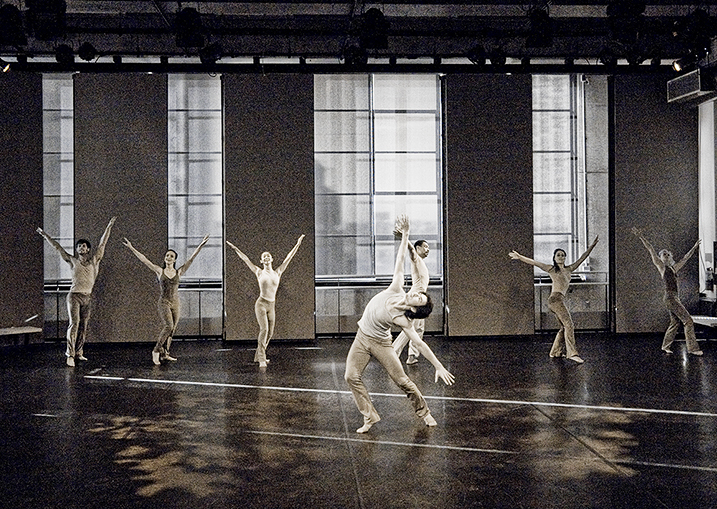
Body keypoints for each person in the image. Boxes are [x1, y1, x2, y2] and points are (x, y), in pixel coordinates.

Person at [345, 215, 454, 434]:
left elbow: (420, 344)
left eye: (419, 299)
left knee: (402, 380)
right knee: (350, 376)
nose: (416, 294)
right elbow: (401, 257)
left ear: (414, 309)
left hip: (381, 343)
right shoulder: (396, 287)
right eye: (419, 294)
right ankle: (369, 416)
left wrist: (438, 365)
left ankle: (424, 412)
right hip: (361, 337)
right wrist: (405, 235)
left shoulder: (403, 319)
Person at [37, 217, 117, 366]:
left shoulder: (94, 261)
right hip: (74, 296)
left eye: (84, 246)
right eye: (79, 246)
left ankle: (79, 352)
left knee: (83, 325)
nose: (81, 248)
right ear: (77, 250)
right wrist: (45, 235)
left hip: (87, 297)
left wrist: (109, 226)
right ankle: (70, 354)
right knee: (74, 323)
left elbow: (102, 243)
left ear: (88, 249)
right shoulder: (72, 261)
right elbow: (57, 248)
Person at [509, 236, 599, 364]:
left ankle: (555, 351)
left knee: (563, 327)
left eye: (563, 255)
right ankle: (572, 354)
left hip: (559, 300)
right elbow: (535, 262)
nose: (561, 257)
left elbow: (583, 257)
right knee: (569, 325)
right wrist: (520, 257)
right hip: (555, 300)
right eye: (558, 255)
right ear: (554, 258)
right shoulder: (551, 269)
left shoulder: (569, 269)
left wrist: (592, 246)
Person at [123, 235, 210, 365]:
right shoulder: (160, 271)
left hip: (176, 303)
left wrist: (201, 245)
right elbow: (144, 260)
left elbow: (191, 259)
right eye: (167, 255)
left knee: (172, 330)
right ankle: (156, 350)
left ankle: (165, 353)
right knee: (168, 326)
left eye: (171, 256)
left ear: (174, 260)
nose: (168, 257)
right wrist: (131, 248)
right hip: (164, 302)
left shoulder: (179, 272)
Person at [226, 235, 305, 368]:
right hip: (261, 304)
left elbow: (289, 257)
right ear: (261, 261)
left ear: (272, 259)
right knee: (264, 329)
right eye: (264, 257)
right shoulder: (258, 272)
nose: (266, 257)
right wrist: (235, 248)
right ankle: (262, 358)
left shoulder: (278, 272)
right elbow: (245, 259)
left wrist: (298, 244)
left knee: (270, 333)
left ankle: (258, 355)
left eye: (268, 256)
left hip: (271, 305)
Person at [632, 228, 703, 356]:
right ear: (660, 258)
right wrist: (641, 236)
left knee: (675, 322)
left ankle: (665, 346)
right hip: (670, 298)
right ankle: (693, 348)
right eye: (663, 254)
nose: (666, 255)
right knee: (688, 321)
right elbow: (650, 249)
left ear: (670, 257)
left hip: (675, 298)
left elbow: (685, 258)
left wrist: (694, 247)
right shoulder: (661, 267)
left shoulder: (673, 268)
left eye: (667, 254)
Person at [392, 239, 430, 365]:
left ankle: (412, 355)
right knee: (411, 328)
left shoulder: (421, 263)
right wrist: (405, 238)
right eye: (425, 246)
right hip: (416, 299)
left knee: (419, 328)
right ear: (418, 248)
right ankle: (394, 353)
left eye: (428, 247)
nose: (427, 249)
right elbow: (411, 251)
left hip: (419, 299)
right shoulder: (416, 259)